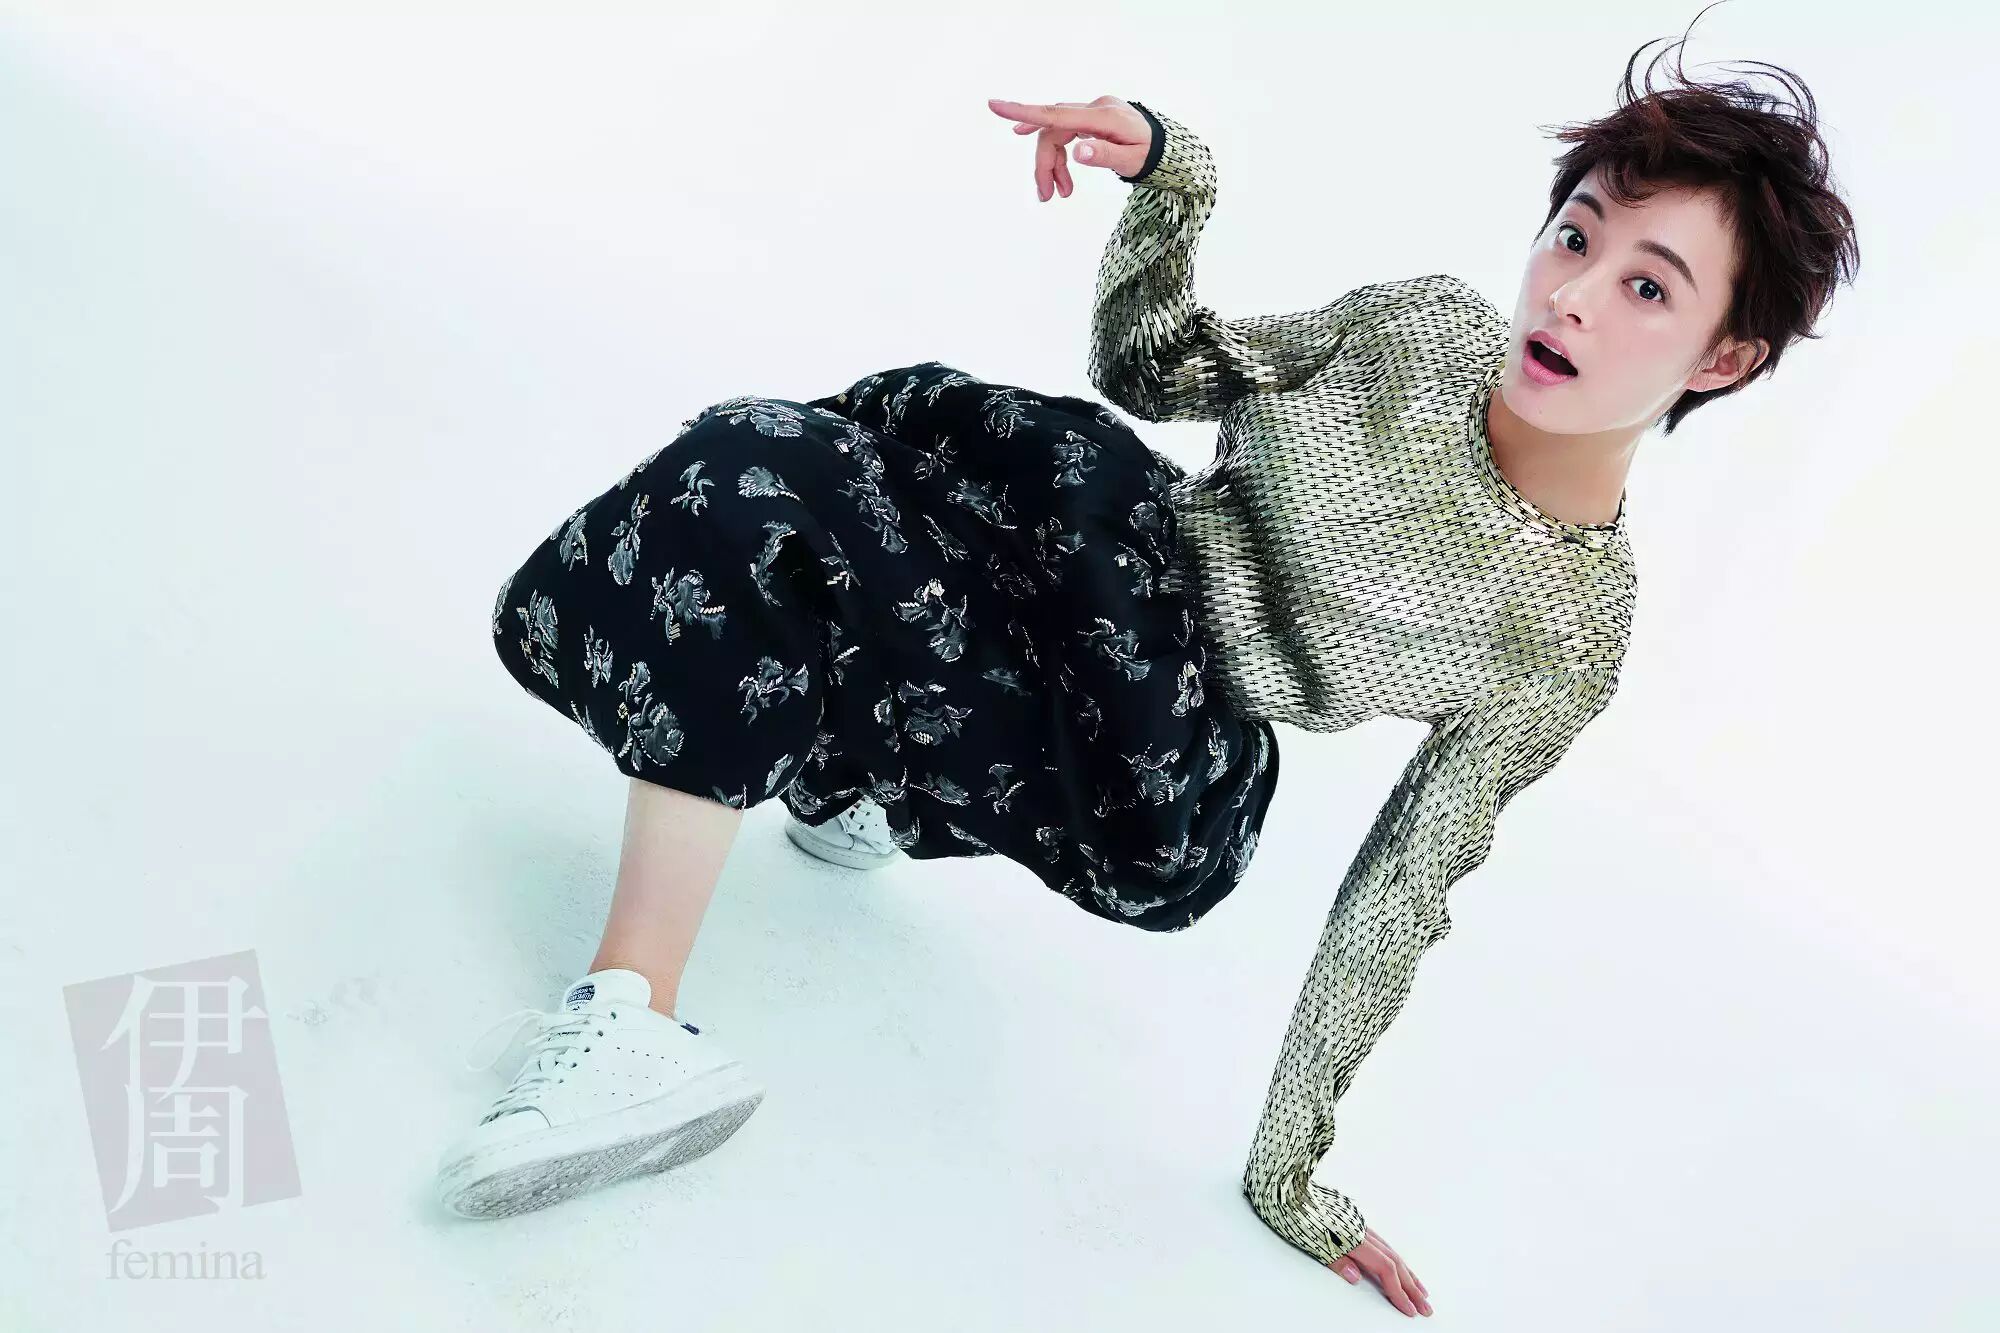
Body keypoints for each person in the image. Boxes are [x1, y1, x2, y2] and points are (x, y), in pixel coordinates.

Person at [439, 20, 1858, 1319]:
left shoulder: (1569, 631)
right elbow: (1158, 371)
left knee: (806, 479)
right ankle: (838, 797)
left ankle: (666, 993)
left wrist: (1292, 1171)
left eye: (1648, 287)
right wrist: (1175, 179)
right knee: (795, 473)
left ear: (1724, 359)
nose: (1575, 295)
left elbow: (1401, 893)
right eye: (1575, 235)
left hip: (1161, 763)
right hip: (1084, 555)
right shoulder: (1423, 328)